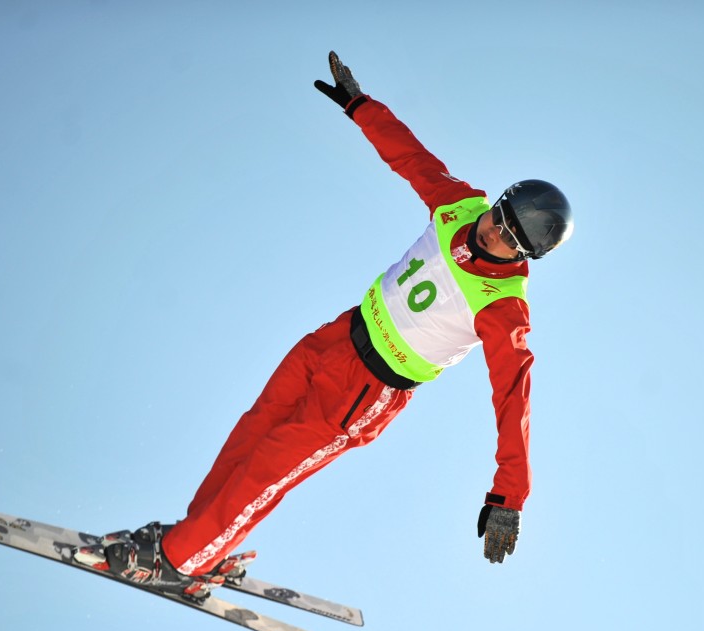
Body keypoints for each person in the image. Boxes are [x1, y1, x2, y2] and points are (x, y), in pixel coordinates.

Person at [74, 51, 574, 599]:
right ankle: (199, 544)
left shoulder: (502, 307)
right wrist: (361, 107)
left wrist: (508, 497)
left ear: (525, 255)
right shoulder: (459, 205)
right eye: (497, 218)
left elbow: (512, 396)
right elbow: (412, 159)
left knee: (267, 468)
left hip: (367, 390)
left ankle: (176, 559)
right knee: (251, 434)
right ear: (496, 201)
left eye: (509, 240)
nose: (492, 235)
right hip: (334, 338)